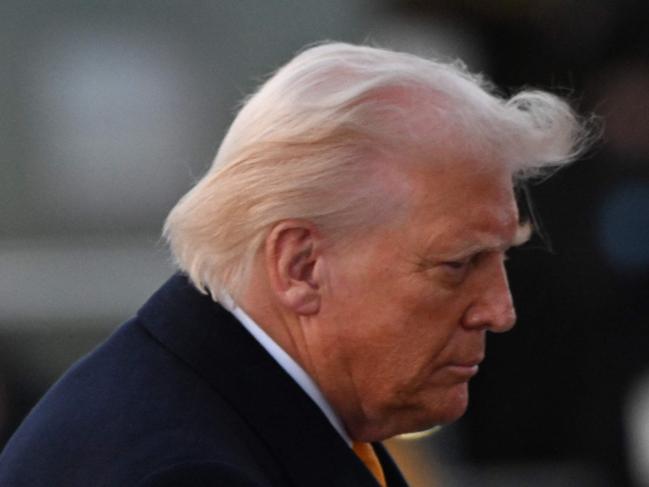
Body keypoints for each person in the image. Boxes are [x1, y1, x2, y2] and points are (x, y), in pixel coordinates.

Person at [0, 42, 591, 486]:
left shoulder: (249, 413)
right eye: (458, 265)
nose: (500, 310)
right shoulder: (188, 472)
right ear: (301, 266)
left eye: (501, 257)